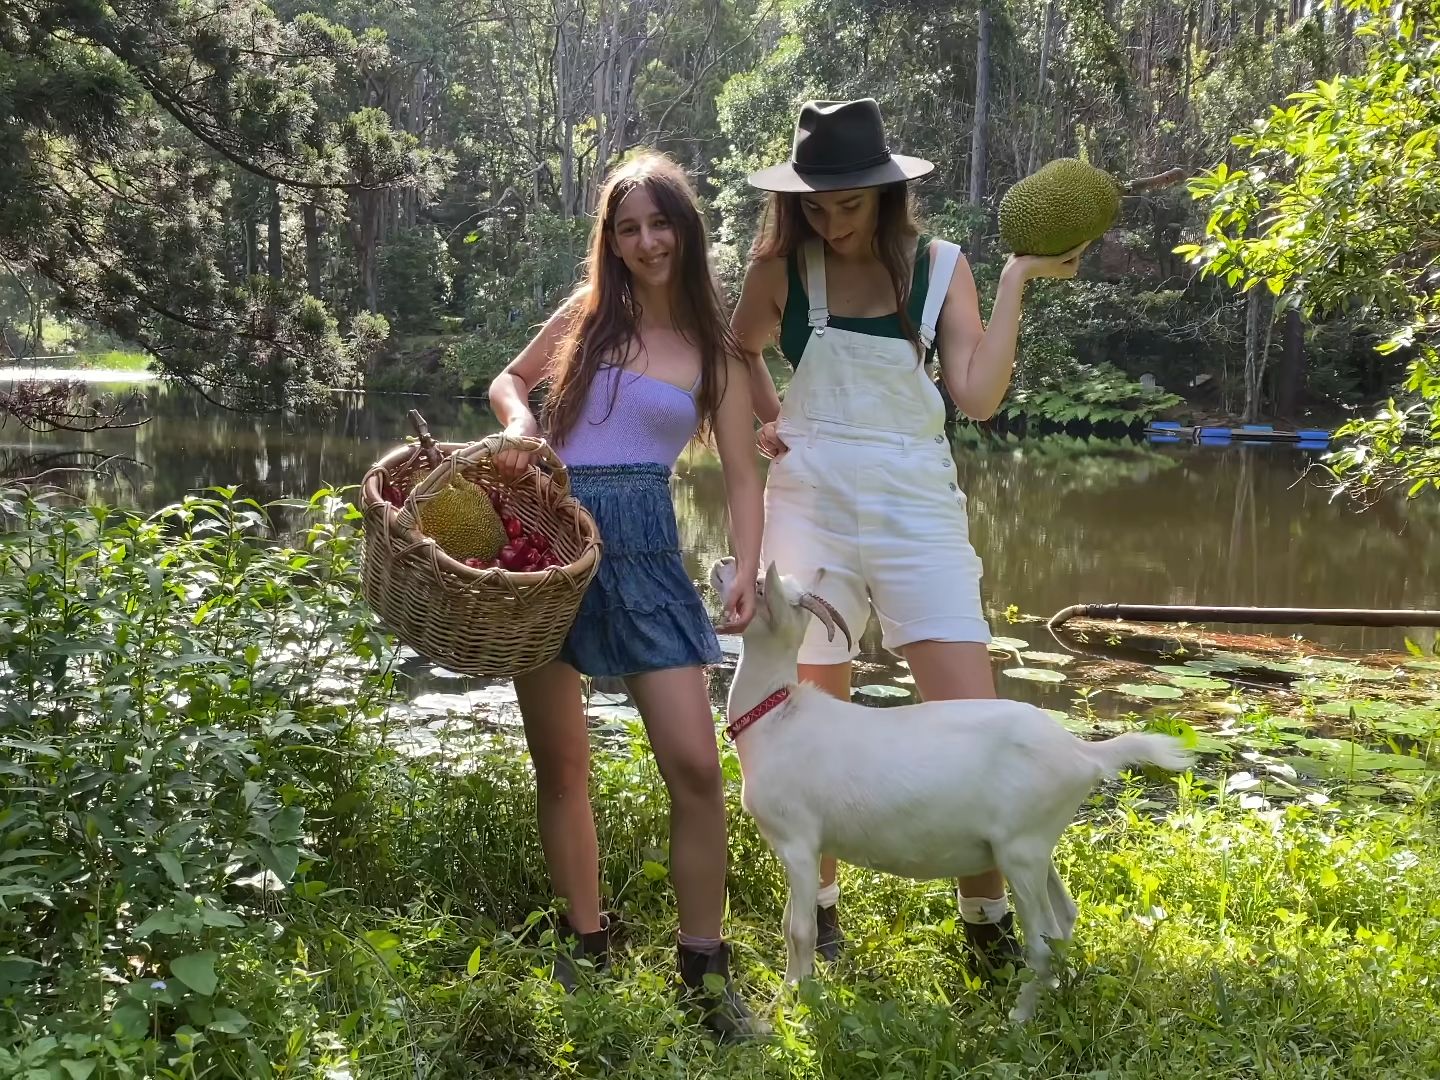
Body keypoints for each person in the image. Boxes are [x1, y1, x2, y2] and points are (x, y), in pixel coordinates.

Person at [730, 98, 1087, 980]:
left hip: (914, 501)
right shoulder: (782, 267)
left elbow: (976, 396)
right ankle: (820, 912)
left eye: (847, 204)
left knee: (967, 710)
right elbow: (737, 351)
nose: (830, 220)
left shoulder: (942, 267)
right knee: (806, 713)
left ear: (887, 195)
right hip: (809, 498)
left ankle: (987, 918)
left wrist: (1014, 283)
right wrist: (773, 423)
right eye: (815, 204)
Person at [487, 150, 765, 1040]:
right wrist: (523, 421)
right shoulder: (588, 316)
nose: (646, 241)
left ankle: (704, 973)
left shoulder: (713, 349)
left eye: (660, 223)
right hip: (549, 538)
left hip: (645, 548)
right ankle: (584, 942)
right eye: (628, 227)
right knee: (561, 765)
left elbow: (745, 474)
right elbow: (507, 379)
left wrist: (748, 570)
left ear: (685, 228)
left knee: (695, 767)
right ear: (610, 239)